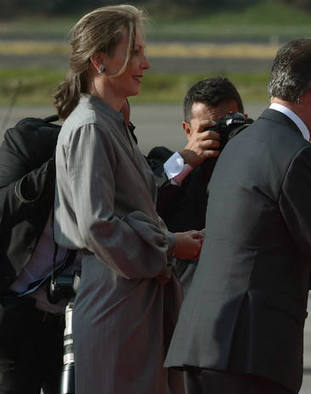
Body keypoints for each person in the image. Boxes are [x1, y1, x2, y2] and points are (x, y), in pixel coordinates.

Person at [165, 38, 311, 394]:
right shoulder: (298, 155)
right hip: (248, 353)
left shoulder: (238, 144)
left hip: (202, 343)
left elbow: (266, 247)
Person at [52, 5, 203, 394]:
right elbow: (96, 224)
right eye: (134, 52)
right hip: (117, 299)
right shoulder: (90, 128)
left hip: (134, 297)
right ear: (99, 61)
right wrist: (170, 246)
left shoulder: (111, 122)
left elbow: (133, 205)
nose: (145, 63)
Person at [0, 116, 77, 394]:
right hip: (17, 316)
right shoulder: (29, 143)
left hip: (74, 322)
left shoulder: (118, 163)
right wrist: (57, 167)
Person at [148, 77, 244, 293]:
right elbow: (146, 202)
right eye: (209, 129)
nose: (219, 136)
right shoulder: (169, 166)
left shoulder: (254, 169)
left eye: (226, 126)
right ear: (187, 130)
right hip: (185, 298)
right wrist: (184, 161)